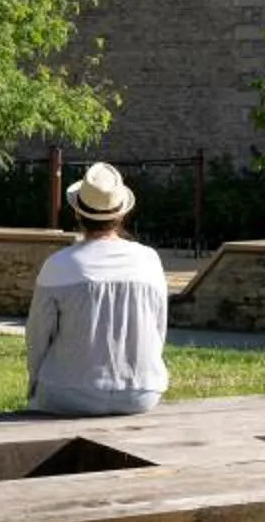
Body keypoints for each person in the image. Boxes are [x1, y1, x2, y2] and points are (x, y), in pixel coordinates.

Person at [24, 162, 170, 416]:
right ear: (122, 214)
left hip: (68, 392)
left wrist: (35, 383)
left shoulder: (59, 265)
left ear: (78, 214)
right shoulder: (149, 260)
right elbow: (158, 330)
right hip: (141, 393)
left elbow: (37, 337)